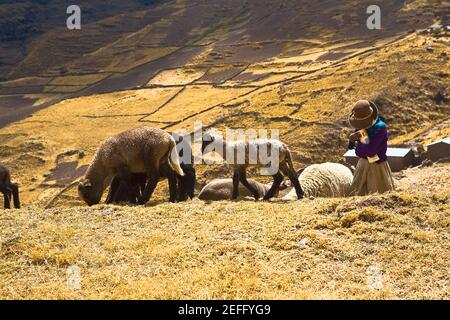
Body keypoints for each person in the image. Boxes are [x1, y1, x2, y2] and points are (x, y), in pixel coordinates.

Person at [347, 100, 395, 196]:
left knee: (379, 194)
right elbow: (360, 151)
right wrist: (352, 141)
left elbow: (370, 150)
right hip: (363, 165)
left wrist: (360, 147)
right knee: (357, 195)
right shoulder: (361, 127)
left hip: (377, 166)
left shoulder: (380, 128)